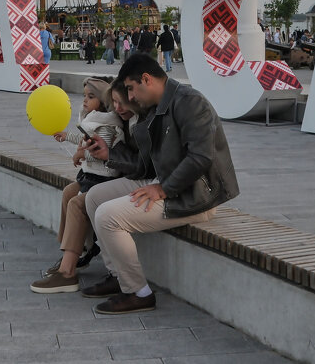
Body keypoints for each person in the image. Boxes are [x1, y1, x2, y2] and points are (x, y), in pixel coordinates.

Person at [81, 53, 240, 315]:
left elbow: (201, 157)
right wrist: (110, 154)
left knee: (108, 216)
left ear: (147, 79)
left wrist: (163, 189)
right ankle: (119, 277)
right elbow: (145, 165)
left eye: (131, 89)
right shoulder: (153, 109)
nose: (130, 98)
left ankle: (138, 292)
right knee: (94, 198)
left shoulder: (191, 102)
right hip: (165, 184)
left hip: (194, 195)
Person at [30, 77, 125, 294]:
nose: (84, 100)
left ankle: (68, 272)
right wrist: (69, 139)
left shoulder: (106, 123)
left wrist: (82, 155)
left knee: (76, 203)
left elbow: (102, 153)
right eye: (84, 96)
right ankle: (75, 250)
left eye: (91, 97)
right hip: (90, 177)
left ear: (102, 101)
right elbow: (84, 141)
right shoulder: (92, 119)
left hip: (105, 179)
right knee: (68, 192)